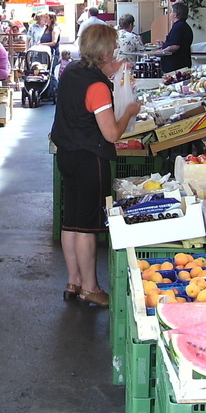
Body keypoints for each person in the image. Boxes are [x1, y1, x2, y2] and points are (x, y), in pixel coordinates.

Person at [50, 25, 140, 308]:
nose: (115, 51)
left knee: (72, 221)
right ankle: (91, 288)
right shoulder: (98, 87)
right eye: (112, 48)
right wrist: (129, 112)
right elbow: (112, 134)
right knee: (87, 226)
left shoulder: (71, 72)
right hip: (91, 159)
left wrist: (118, 69)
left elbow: (100, 74)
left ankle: (73, 281)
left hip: (67, 155)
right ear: (104, 51)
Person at [157, 1, 194, 73]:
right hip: (182, 63)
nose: (169, 14)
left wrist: (162, 51)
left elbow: (175, 46)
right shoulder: (183, 26)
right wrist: (163, 45)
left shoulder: (178, 27)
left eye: (171, 12)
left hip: (175, 66)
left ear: (175, 15)